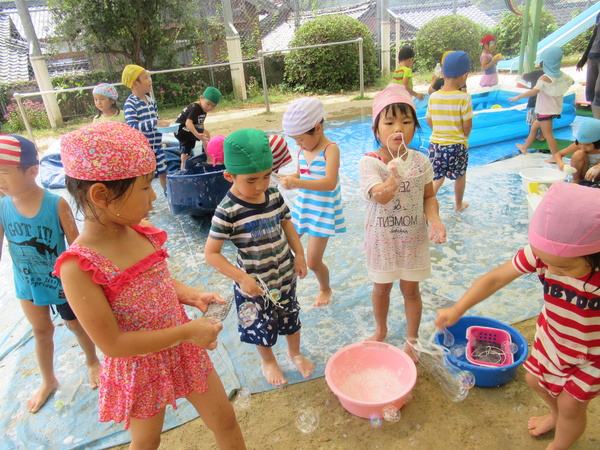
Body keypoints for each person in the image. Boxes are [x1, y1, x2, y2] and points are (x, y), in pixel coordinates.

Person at [54, 122, 245, 449]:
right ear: (102, 195)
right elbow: (113, 344)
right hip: (139, 366)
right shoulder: (78, 267)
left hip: (183, 349)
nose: (154, 196)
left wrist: (192, 296)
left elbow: (154, 280)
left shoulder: (138, 229)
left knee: (224, 419)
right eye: (145, 188)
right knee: (146, 442)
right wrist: (187, 332)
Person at [435, 182, 600, 450]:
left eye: (563, 267)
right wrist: (458, 308)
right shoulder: (544, 255)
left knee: (571, 405)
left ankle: (559, 444)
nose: (551, 271)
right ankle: (555, 415)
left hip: (592, 354)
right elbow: (496, 278)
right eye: (546, 263)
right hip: (553, 337)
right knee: (534, 380)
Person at [204, 128, 313, 387]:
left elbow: (286, 224)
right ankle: (268, 361)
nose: (261, 186)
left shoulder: (273, 195)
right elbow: (211, 253)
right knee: (259, 326)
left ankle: (295, 353)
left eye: (266, 176)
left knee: (291, 317)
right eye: (251, 180)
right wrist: (242, 278)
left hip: (284, 276)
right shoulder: (227, 210)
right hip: (254, 286)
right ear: (229, 176)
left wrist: (299, 254)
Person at [0, 135, 100, 413]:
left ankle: (92, 360)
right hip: (27, 283)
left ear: (32, 171)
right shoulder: (2, 206)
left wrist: (90, 282)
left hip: (61, 284)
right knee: (41, 330)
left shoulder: (55, 204)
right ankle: (49, 380)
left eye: (4, 172)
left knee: (76, 325)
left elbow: (77, 246)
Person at [359, 83, 446, 356]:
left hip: (413, 240)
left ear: (415, 127)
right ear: (376, 130)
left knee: (411, 291)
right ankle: (381, 330)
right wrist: (394, 177)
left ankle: (412, 338)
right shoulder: (370, 162)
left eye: (406, 122)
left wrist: (435, 220)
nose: (398, 128)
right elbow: (381, 197)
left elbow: (428, 197)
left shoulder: (421, 161)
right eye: (389, 122)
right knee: (381, 289)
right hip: (382, 241)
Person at [278, 97, 347, 307]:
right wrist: (284, 178)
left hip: (322, 212)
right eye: (295, 140)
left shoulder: (330, 149)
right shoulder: (303, 150)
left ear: (317, 128)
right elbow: (302, 174)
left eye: (300, 139)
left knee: (314, 261)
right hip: (304, 207)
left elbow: (329, 182)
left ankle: (325, 288)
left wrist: (297, 182)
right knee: (283, 243)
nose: (297, 144)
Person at [426, 51, 473, 211]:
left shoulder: (433, 97)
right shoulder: (464, 98)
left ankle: (425, 207)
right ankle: (458, 205)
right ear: (464, 76)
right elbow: (467, 125)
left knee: (437, 177)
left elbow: (429, 120)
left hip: (436, 145)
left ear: (443, 74)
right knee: (460, 175)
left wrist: (439, 131)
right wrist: (464, 137)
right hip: (456, 146)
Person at [509, 46, 574, 157]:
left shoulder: (544, 79)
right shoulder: (562, 75)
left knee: (548, 135)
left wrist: (519, 97)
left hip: (545, 112)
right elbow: (571, 82)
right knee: (534, 128)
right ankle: (524, 147)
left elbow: (534, 91)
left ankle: (556, 157)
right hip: (553, 110)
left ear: (545, 64)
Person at [122, 64, 171, 190]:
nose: (150, 80)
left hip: (157, 146)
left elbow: (156, 119)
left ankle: (169, 195)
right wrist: (154, 123)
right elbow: (132, 127)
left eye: (149, 77)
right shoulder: (130, 104)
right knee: (146, 177)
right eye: (145, 77)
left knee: (164, 173)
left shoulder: (151, 101)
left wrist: (162, 124)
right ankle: (146, 197)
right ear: (135, 84)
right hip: (143, 150)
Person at [174, 87, 222, 171]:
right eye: (208, 104)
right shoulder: (195, 108)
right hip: (181, 130)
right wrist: (197, 134)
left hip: (184, 130)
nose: (210, 108)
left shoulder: (203, 108)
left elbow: (200, 124)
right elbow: (188, 123)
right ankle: (209, 158)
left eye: (213, 106)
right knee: (205, 134)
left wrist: (201, 133)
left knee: (186, 152)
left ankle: (183, 169)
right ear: (201, 98)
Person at [552, 118, 600, 184]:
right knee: (579, 153)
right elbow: (558, 154)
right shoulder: (578, 146)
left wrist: (598, 167)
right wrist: (561, 164)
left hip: (597, 175)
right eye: (580, 144)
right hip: (585, 174)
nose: (583, 147)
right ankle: (576, 179)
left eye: (587, 145)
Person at [576, 12, 600, 119]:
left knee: (598, 92)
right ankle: (596, 121)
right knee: (591, 92)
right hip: (593, 56)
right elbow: (593, 38)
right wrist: (583, 59)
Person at [521, 63, 546, 141]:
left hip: (533, 100)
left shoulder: (535, 73)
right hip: (545, 101)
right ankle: (542, 136)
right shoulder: (551, 75)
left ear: (540, 65)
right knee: (544, 119)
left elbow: (523, 76)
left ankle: (532, 137)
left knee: (532, 120)